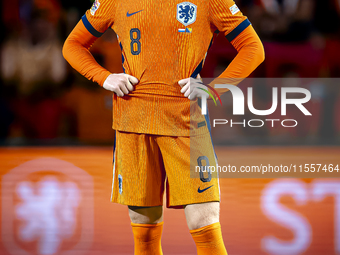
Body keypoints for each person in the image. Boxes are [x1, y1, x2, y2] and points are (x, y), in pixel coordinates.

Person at [63, 0, 264, 254]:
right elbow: (72, 45)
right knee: (144, 229)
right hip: (133, 123)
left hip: (187, 122)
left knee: (205, 224)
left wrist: (214, 88)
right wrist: (104, 76)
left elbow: (253, 48)